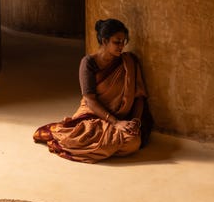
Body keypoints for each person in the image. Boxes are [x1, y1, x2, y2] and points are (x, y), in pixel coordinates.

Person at [33, 18, 152, 163]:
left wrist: (136, 121)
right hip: (93, 112)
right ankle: (104, 145)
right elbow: (90, 100)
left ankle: (101, 145)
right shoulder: (88, 63)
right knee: (74, 138)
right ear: (104, 40)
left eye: (124, 41)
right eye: (117, 42)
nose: (121, 46)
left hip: (121, 117)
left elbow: (139, 96)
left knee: (133, 142)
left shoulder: (128, 62)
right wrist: (115, 123)